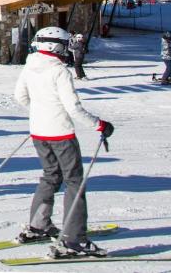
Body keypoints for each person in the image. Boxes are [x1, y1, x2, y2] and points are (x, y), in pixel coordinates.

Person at [13, 26, 113, 258]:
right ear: (54, 46)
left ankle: (39, 225)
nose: (67, 49)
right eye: (65, 44)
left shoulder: (30, 66)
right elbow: (73, 108)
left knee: (50, 176)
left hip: (39, 132)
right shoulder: (59, 71)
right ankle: (74, 240)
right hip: (61, 134)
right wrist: (99, 124)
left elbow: (20, 97)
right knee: (75, 182)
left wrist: (41, 113)